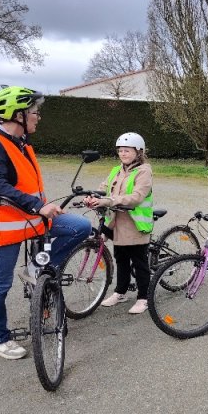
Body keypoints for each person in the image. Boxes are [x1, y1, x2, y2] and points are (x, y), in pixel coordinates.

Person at [0, 86, 91, 360]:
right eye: (34, 112)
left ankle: (36, 269)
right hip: (4, 225)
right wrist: (38, 206)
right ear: (18, 115)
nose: (38, 117)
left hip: (30, 219)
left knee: (80, 227)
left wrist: (42, 206)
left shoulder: (18, 141)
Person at [84, 132, 154, 314]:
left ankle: (143, 298)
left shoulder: (144, 171)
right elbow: (104, 188)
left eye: (127, 150)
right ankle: (120, 292)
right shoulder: (116, 170)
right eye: (120, 151)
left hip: (135, 224)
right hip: (117, 222)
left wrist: (108, 201)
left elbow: (137, 197)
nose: (123, 154)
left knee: (139, 263)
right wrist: (92, 197)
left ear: (138, 152)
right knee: (121, 259)